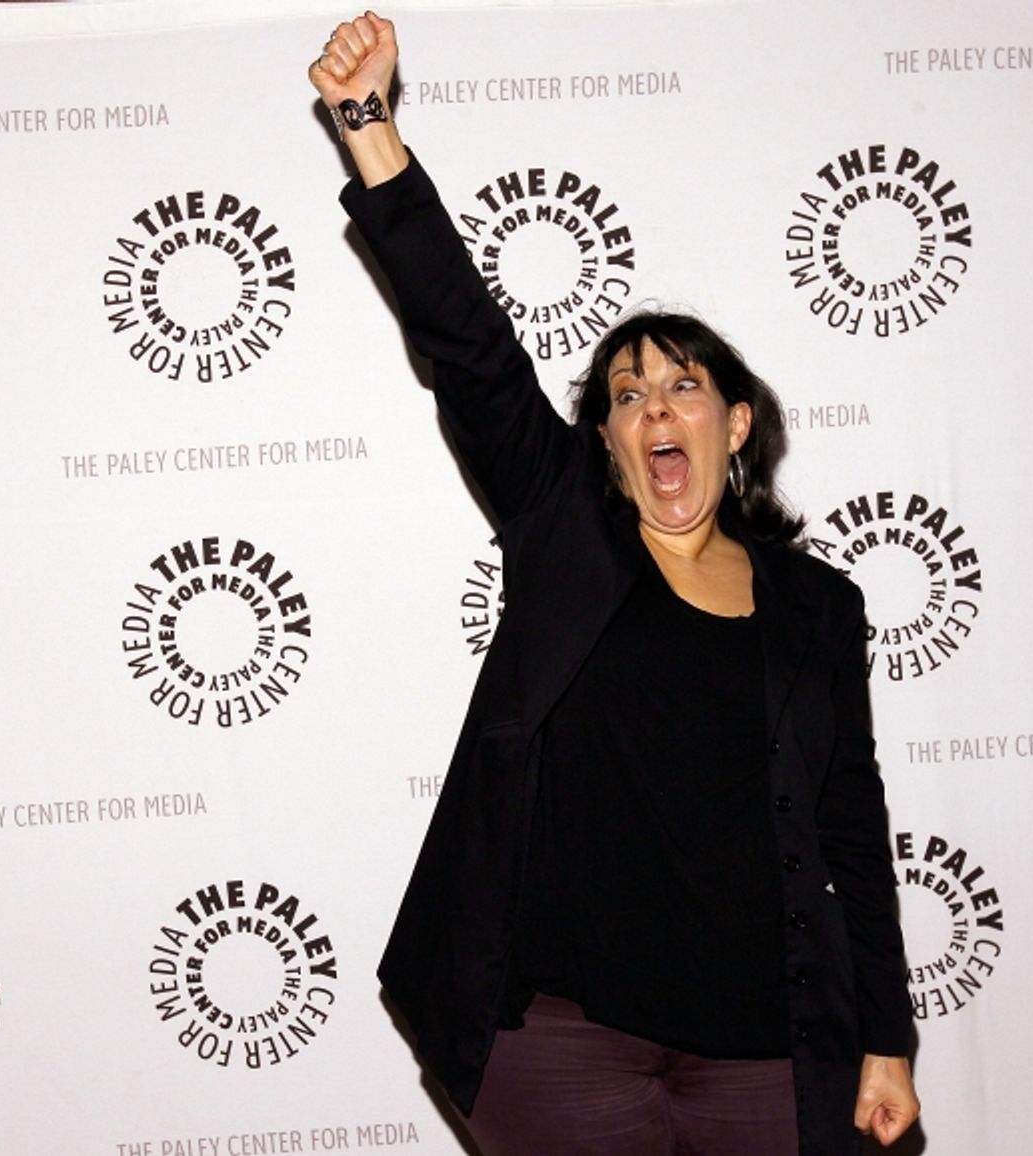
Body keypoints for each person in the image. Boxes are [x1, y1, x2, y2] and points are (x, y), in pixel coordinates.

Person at [310, 14, 919, 1155]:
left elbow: (851, 827)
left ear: (735, 423)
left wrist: (886, 1035)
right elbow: (472, 346)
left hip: (766, 1044)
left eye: (681, 387)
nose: (653, 409)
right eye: (626, 394)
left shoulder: (816, 606)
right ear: (605, 438)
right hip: (562, 1042)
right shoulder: (567, 534)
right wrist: (370, 130)